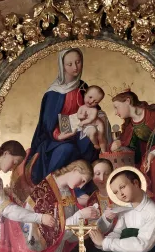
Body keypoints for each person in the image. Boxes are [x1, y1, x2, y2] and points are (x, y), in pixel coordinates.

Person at [0, 160, 99, 252]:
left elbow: (65, 230)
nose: (81, 186)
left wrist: (87, 220)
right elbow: (48, 230)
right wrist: (79, 215)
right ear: (76, 170)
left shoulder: (67, 191)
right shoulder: (45, 191)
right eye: (82, 180)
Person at [27, 48, 105, 185]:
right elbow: (47, 125)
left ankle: (85, 188)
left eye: (78, 62)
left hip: (79, 130)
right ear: (62, 66)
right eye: (70, 64)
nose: (75, 67)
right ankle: (51, 186)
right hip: (55, 139)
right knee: (67, 149)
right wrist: (60, 135)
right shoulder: (53, 93)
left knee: (90, 144)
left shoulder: (83, 87)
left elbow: (95, 108)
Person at [111, 90, 155, 214]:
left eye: (117, 107)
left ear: (128, 101)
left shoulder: (153, 115)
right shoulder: (131, 124)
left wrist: (153, 154)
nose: (116, 112)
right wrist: (119, 144)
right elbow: (133, 148)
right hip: (146, 157)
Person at [0, 140, 55, 228]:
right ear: (6, 153)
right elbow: (7, 210)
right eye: (14, 162)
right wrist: (40, 218)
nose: (13, 169)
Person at [60, 85, 109, 153]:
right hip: (88, 126)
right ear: (85, 94)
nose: (91, 101)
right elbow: (78, 115)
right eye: (90, 97)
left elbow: (91, 119)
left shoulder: (94, 110)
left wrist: (83, 122)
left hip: (97, 124)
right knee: (92, 133)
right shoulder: (81, 107)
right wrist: (81, 116)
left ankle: (104, 152)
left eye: (95, 102)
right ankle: (95, 144)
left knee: (101, 137)